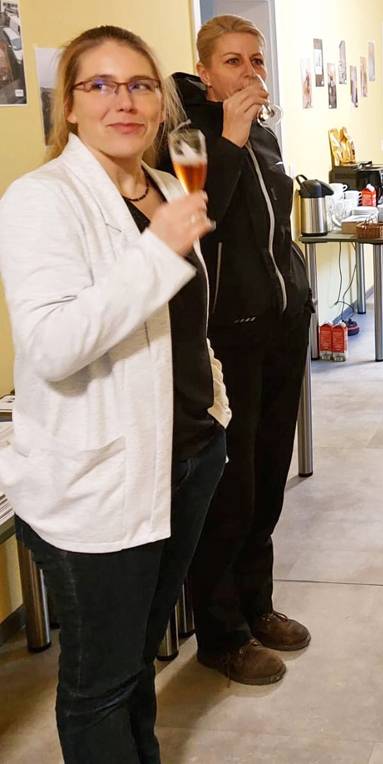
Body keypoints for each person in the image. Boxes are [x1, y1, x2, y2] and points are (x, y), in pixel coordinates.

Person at [0, 25, 229, 761]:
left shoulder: (167, 186)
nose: (122, 101)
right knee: (99, 685)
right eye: (99, 84)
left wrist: (215, 407)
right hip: (101, 482)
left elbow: (185, 323)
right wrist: (158, 249)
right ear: (68, 105)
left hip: (188, 456)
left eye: (139, 85)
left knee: (137, 661)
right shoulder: (40, 200)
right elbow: (54, 345)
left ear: (160, 103)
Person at [168, 14, 313, 685]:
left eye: (256, 59)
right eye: (232, 60)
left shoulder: (266, 134)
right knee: (232, 487)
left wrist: (299, 291)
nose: (250, 71)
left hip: (281, 325)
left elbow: (274, 226)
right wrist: (226, 137)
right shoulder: (187, 139)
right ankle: (221, 634)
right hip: (228, 334)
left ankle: (258, 605)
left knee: (269, 475)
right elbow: (198, 224)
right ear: (205, 73)